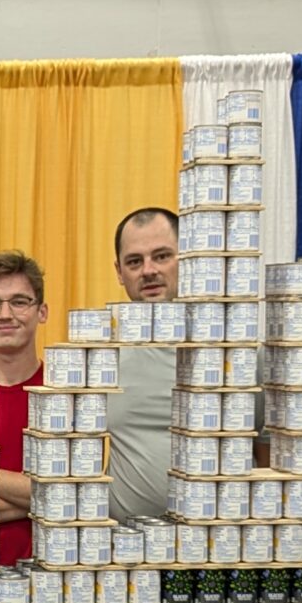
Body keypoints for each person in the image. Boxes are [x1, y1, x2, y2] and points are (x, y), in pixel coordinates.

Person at [0, 251, 47, 567]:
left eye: (19, 301)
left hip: (55, 589)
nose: (5, 314)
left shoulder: (71, 396)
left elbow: (81, 493)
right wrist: (44, 494)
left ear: (42, 311)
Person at [105, 209, 179, 527]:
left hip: (217, 558)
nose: (148, 271)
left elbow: (266, 460)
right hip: (124, 559)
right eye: (134, 262)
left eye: (161, 256)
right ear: (119, 272)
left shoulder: (237, 353)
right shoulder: (99, 357)